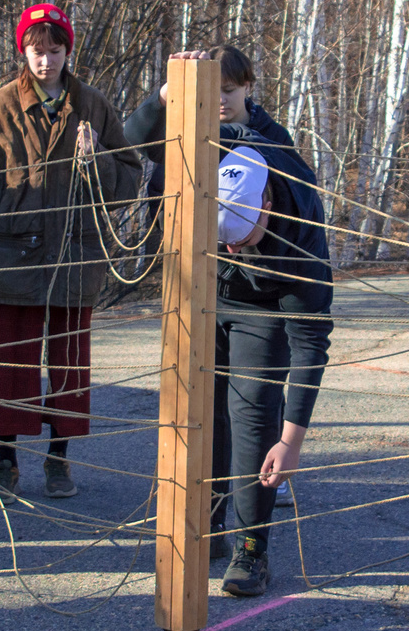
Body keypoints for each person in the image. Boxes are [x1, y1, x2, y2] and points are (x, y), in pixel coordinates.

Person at [124, 46, 333, 599]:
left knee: (252, 413)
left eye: (244, 234)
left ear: (267, 206)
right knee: (197, 404)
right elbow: (132, 140)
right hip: (197, 288)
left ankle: (250, 548)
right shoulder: (191, 139)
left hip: (262, 302)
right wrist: (169, 93)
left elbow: (311, 342)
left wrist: (292, 441)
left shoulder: (297, 232)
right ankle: (203, 524)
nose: (218, 101)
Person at [0, 3, 145, 502]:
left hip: (75, 259)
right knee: (9, 366)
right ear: (23, 51)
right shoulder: (0, 106)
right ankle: (7, 463)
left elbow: (128, 180)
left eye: (54, 50)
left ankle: (59, 460)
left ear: (67, 51)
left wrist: (96, 157)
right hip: (10, 260)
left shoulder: (92, 104)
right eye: (36, 51)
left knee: (69, 366)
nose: (45, 61)